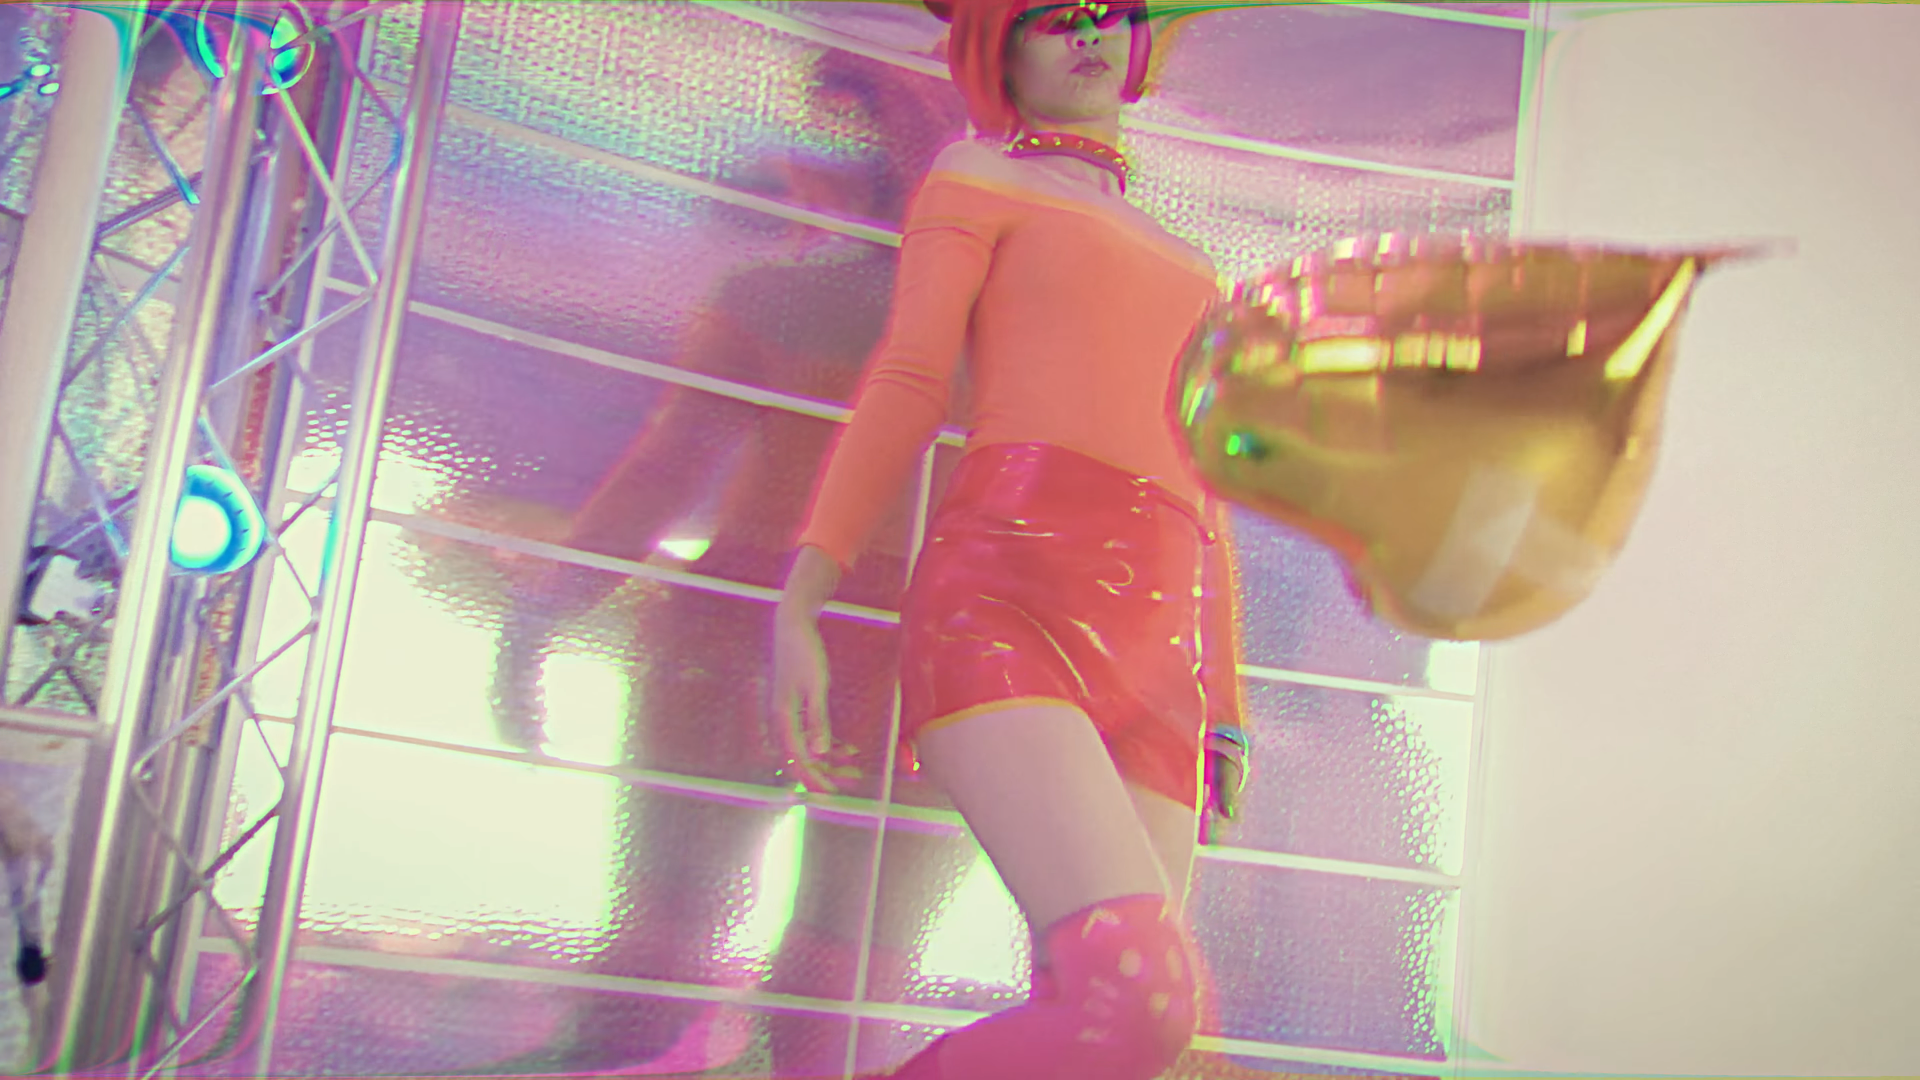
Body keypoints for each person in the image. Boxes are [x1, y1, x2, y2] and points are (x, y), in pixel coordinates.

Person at [771, 3, 1250, 1078]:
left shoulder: (1193, 263)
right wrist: (804, 591)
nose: (1090, 34)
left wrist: (1227, 705)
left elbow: (1207, 485)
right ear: (1000, 42)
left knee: (1131, 1037)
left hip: (1161, 647)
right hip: (1008, 598)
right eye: (1053, 16)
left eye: (1113, 12)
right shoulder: (977, 176)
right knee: (1138, 1004)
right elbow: (910, 378)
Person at [484, 52, 975, 1076]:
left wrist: (541, 618)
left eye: (830, 138)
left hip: (750, 625)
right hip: (922, 648)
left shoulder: (772, 301)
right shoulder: (1020, 331)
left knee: (670, 956)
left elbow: (663, 471)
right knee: (835, 989)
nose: (801, 165)